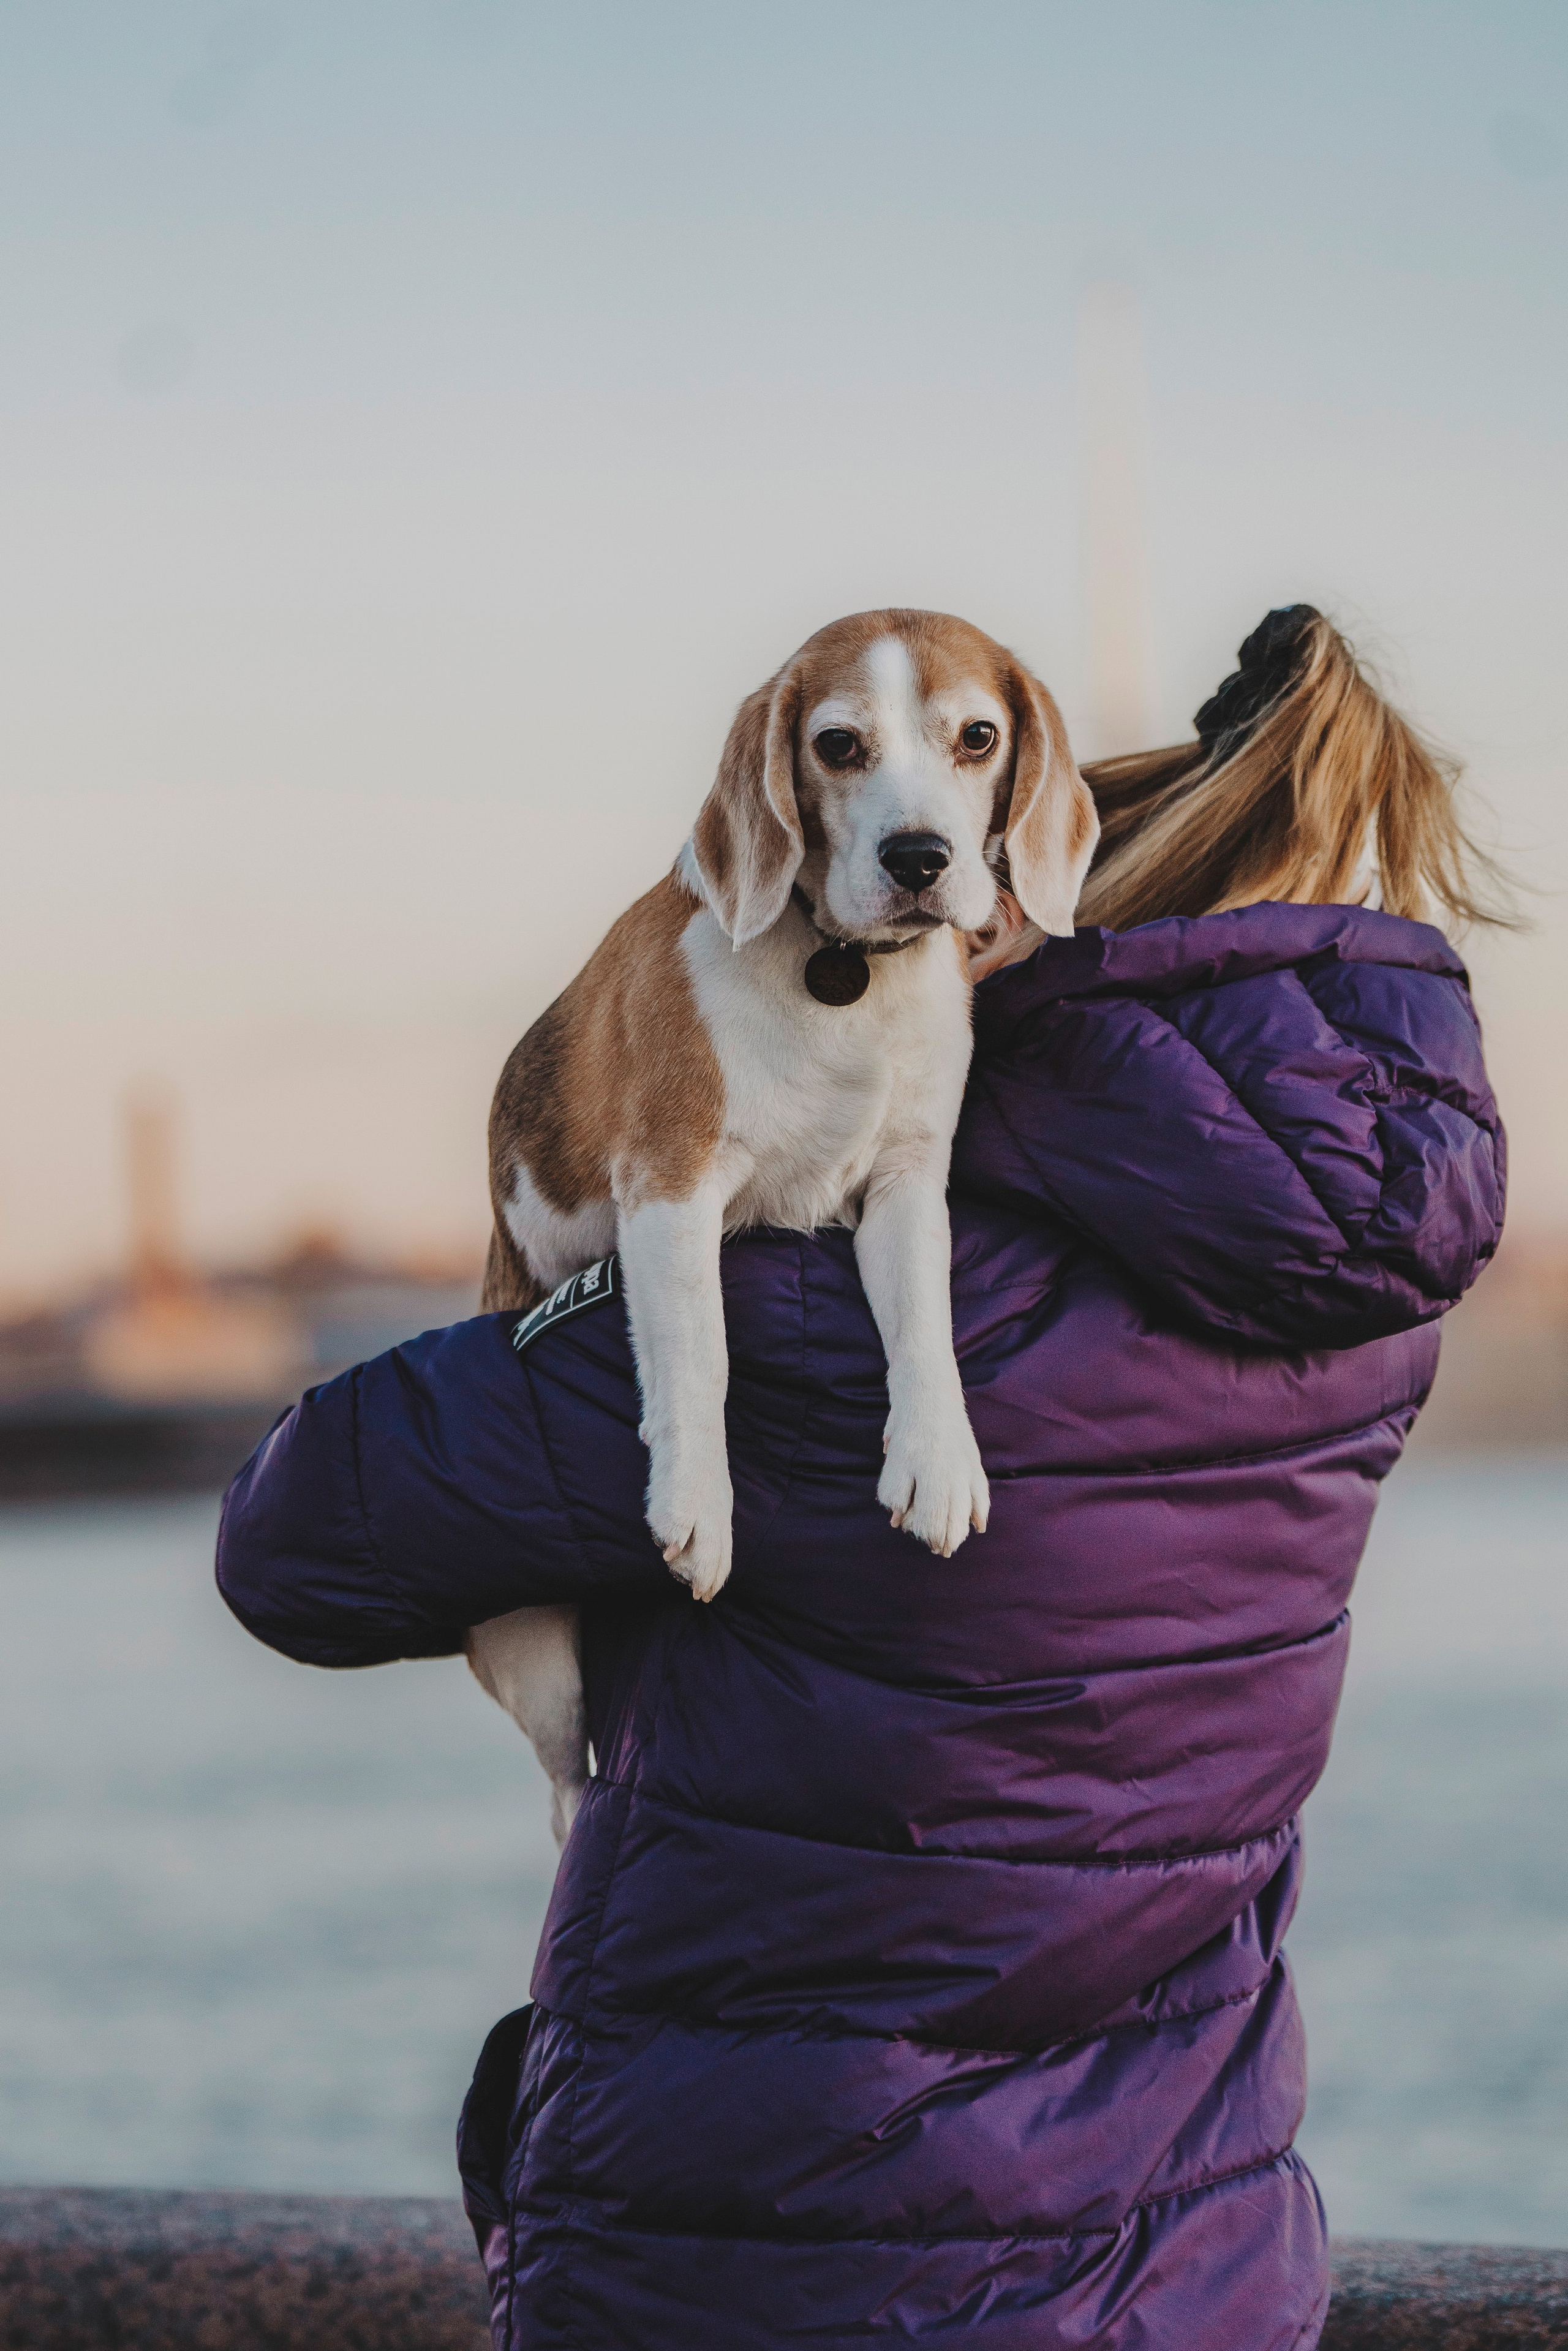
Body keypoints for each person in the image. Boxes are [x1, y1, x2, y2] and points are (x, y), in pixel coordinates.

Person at [217, 606, 1506, 2350]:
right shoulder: (1365, 1322)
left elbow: (297, 1541)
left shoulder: (825, 1320)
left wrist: (560, 1306)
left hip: (783, 2259)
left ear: (1039, 898)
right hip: (1191, 2261)